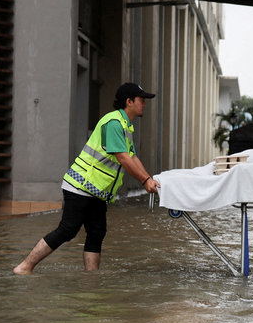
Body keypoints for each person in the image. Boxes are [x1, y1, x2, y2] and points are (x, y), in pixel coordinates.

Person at [13, 83, 161, 275]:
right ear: (129, 101)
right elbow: (123, 158)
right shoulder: (114, 123)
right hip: (81, 186)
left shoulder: (125, 126)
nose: (145, 104)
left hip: (97, 191)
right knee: (68, 230)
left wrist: (149, 178)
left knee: (97, 232)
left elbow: (132, 157)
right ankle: (24, 267)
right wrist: (144, 181)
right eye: (142, 100)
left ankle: (91, 278)